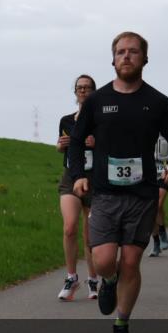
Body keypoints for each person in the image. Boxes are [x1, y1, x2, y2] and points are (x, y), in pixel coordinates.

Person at [70, 31, 168, 333]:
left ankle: (121, 323)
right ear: (112, 59)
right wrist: (78, 174)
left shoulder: (158, 103)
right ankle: (107, 283)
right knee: (105, 259)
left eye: (133, 52)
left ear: (144, 59)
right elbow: (77, 140)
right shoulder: (98, 101)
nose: (126, 56)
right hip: (106, 193)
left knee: (131, 262)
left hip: (142, 194)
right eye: (120, 51)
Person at [55, 75, 98, 300]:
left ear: (94, 91)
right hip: (71, 177)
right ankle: (72, 278)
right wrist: (60, 146)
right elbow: (62, 147)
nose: (82, 91)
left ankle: (93, 279)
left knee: (90, 236)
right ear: (75, 92)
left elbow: (114, 146)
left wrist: (97, 143)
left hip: (94, 179)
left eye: (87, 87)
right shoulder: (66, 120)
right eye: (79, 88)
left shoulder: (101, 120)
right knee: (69, 228)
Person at [148, 134, 168, 257]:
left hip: (164, 173)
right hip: (148, 174)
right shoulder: (144, 128)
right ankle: (156, 243)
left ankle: (163, 233)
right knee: (151, 209)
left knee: (157, 205)